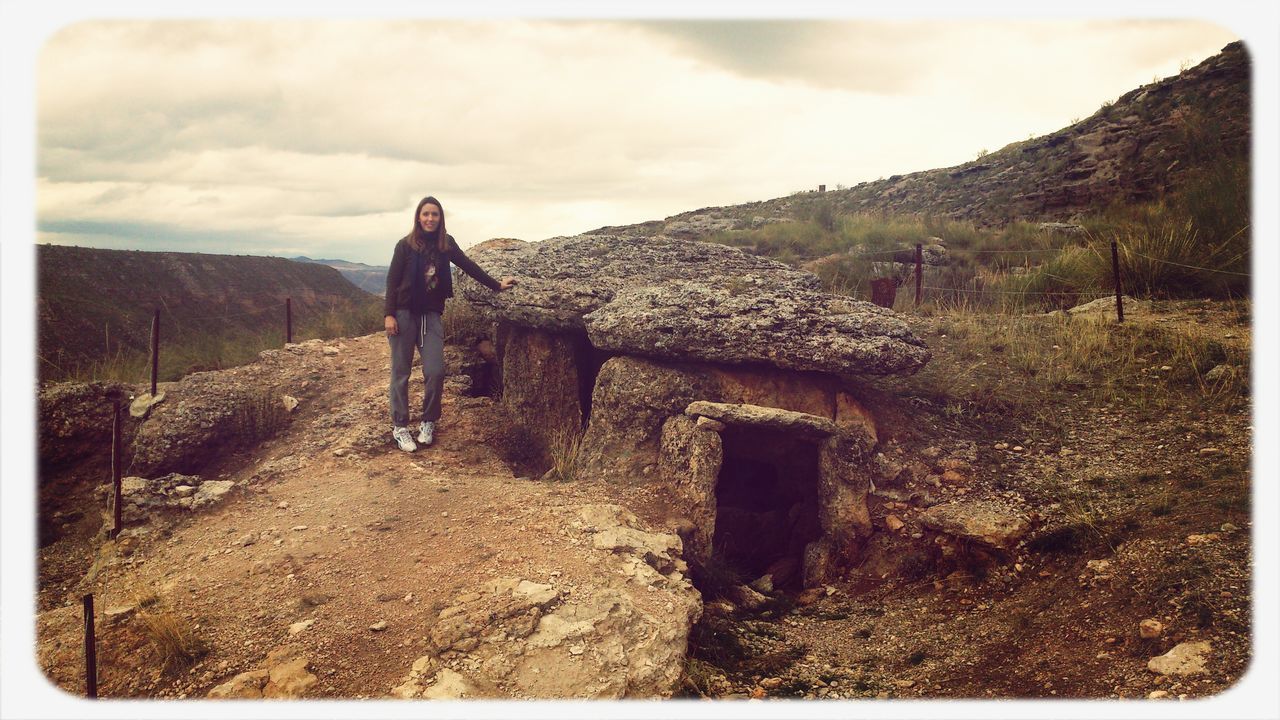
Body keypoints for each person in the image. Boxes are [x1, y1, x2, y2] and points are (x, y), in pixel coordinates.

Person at [384, 196, 515, 452]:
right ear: (418, 217)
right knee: (401, 373)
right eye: (426, 214)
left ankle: (428, 421)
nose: (430, 219)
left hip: (431, 315)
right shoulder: (405, 246)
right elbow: (391, 281)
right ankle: (400, 427)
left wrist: (496, 284)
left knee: (435, 371)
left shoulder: (447, 244)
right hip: (403, 313)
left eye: (435, 214)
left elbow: (468, 266)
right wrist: (389, 315)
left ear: (440, 218)